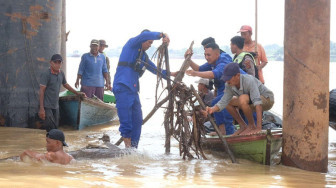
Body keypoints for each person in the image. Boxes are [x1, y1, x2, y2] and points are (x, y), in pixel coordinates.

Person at [112, 30, 172, 148]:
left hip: (133, 90)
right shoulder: (132, 44)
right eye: (149, 42)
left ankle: (134, 149)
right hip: (123, 86)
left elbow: (155, 69)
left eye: (151, 43)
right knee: (126, 121)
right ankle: (128, 149)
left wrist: (171, 74)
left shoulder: (143, 56)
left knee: (137, 120)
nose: (150, 45)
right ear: (142, 40)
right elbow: (144, 35)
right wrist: (162, 35)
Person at [185, 43, 244, 136]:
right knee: (216, 103)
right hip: (227, 88)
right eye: (205, 55)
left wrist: (195, 73)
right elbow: (199, 68)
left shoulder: (223, 60)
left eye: (208, 55)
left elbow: (214, 74)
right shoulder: (213, 62)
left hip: (241, 87)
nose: (206, 57)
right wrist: (188, 59)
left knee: (220, 103)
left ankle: (228, 132)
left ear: (217, 54)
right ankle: (223, 130)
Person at [205, 63, 274, 135]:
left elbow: (258, 103)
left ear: (237, 75)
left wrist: (258, 128)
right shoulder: (228, 84)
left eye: (229, 78)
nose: (227, 81)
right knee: (230, 101)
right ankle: (243, 126)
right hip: (251, 101)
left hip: (267, 99)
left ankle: (252, 126)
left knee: (242, 98)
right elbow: (224, 101)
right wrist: (212, 109)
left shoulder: (249, 80)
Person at [39, 54, 85, 132]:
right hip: (47, 106)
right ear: (51, 63)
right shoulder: (46, 74)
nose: (57, 64)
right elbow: (41, 91)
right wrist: (41, 108)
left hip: (56, 105)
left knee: (56, 126)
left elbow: (66, 85)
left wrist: (77, 93)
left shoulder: (61, 73)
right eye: (55, 62)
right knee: (50, 128)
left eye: (59, 62)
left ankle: (55, 142)